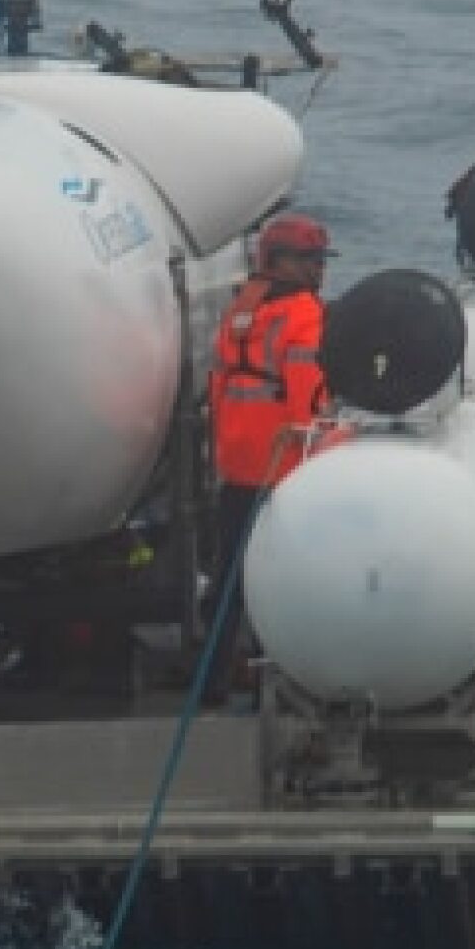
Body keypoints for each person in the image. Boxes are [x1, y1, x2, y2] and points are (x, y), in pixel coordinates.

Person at [207, 211, 335, 676]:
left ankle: (217, 672)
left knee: (229, 582)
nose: (319, 270)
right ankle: (272, 673)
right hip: (284, 468)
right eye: (309, 260)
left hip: (238, 465)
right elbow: (311, 401)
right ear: (278, 261)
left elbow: (219, 389)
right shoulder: (304, 315)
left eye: (320, 260)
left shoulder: (240, 310)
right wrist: (323, 459)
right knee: (280, 579)